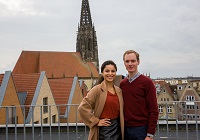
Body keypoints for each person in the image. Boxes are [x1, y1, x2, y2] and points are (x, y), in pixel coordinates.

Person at [78, 60, 124, 140]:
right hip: (105, 130)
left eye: (113, 71)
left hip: (118, 127)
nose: (110, 73)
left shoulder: (119, 90)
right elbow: (82, 107)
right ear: (102, 73)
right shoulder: (97, 89)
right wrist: (96, 121)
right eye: (107, 71)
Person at [120, 50, 158, 140]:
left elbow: (154, 109)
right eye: (127, 61)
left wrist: (150, 134)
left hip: (141, 129)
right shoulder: (123, 84)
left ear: (138, 62)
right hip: (125, 129)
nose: (130, 64)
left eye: (133, 61)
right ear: (124, 63)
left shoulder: (147, 82)